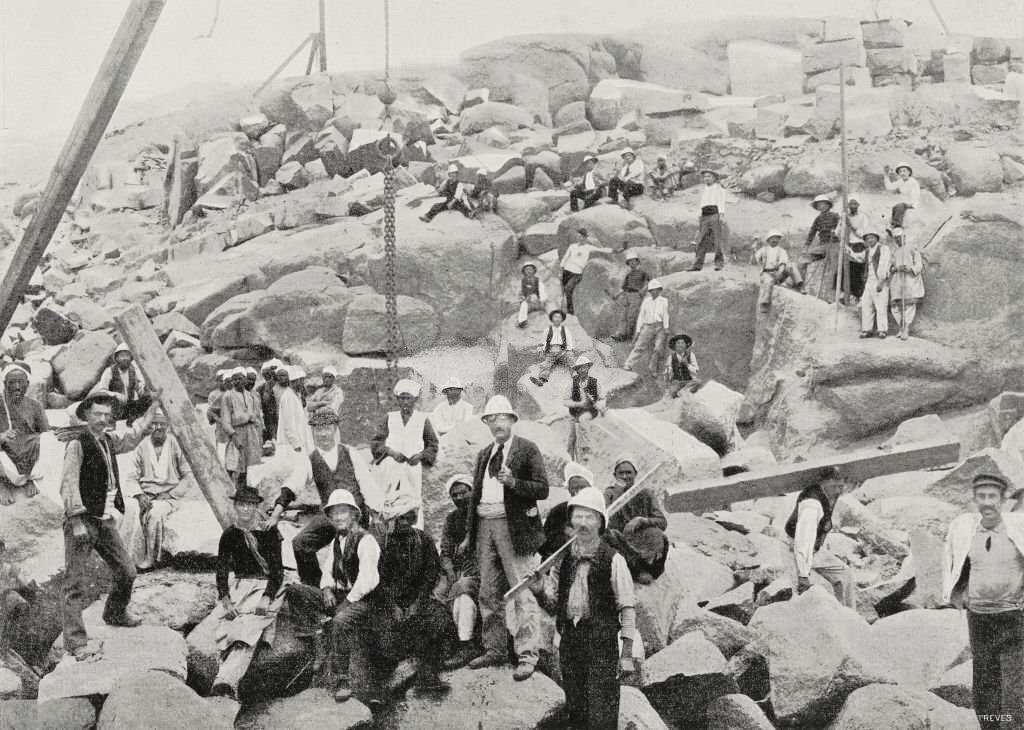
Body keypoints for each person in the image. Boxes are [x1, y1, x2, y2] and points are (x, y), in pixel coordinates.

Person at [59, 390, 162, 659]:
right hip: (82, 521)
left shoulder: (107, 440)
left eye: (107, 415)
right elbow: (68, 484)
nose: (102, 419)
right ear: (86, 416)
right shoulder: (77, 444)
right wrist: (76, 519)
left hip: (104, 519)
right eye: (97, 414)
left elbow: (132, 436)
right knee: (74, 583)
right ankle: (76, 641)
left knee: (127, 571)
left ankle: (115, 612)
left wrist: (153, 409)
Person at [531, 486, 638, 730]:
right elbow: (554, 606)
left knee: (602, 711)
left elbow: (628, 608)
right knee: (576, 709)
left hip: (601, 644)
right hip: (571, 642)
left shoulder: (614, 560)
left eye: (589, 517)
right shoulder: (564, 560)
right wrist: (538, 591)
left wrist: (627, 654)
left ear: (601, 522)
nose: (583, 523)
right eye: (578, 516)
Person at [465, 395, 549, 681]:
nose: (497, 423)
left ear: (512, 420)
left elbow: (542, 489)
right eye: (491, 419)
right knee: (488, 592)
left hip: (515, 529)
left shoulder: (527, 449)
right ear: (486, 423)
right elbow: (475, 496)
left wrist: (514, 483)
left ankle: (527, 654)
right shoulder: (484, 454)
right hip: (485, 525)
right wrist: (470, 533)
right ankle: (495, 648)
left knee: (522, 591)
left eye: (503, 418)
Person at [942, 474, 1024, 730]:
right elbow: (953, 563)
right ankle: (989, 726)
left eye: (993, 497)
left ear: (1002, 501)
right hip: (979, 618)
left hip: (1013, 616)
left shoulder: (1019, 529)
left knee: (1014, 686)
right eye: (982, 497)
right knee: (985, 681)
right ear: (975, 499)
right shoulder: (965, 530)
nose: (987, 503)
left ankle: (1012, 726)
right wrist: (958, 595)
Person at [284, 489, 381, 704]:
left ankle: (341, 680)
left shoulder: (366, 541)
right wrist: (327, 589)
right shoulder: (337, 540)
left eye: (343, 512)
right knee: (295, 591)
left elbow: (368, 581)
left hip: (364, 600)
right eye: (334, 514)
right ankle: (316, 637)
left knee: (339, 621)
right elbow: (327, 569)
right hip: (340, 594)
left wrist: (346, 603)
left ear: (354, 515)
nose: (338, 518)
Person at [277, 409, 375, 586]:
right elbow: (293, 484)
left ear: (335, 429)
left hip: (356, 514)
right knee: (300, 543)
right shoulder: (310, 459)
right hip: (330, 516)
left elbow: (367, 483)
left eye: (327, 428)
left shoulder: (349, 452)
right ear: (313, 431)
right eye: (318, 429)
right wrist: (278, 508)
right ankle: (314, 589)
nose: (323, 434)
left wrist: (376, 510)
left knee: (357, 548)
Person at [209, 486, 285, 699]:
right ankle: (226, 685)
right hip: (240, 587)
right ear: (235, 506)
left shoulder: (269, 532)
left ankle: (225, 682)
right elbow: (221, 570)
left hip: (265, 585)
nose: (245, 509)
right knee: (226, 628)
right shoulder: (229, 534)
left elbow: (277, 571)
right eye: (241, 504)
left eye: (250, 505)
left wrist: (267, 596)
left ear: (256, 507)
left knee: (248, 628)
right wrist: (226, 600)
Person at [373, 493, 451, 697]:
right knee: (384, 636)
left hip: (417, 598)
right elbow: (378, 580)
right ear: (392, 520)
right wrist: (393, 606)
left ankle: (428, 675)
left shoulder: (422, 539)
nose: (405, 523)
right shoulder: (381, 543)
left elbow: (431, 573)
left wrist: (418, 602)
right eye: (400, 519)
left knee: (436, 617)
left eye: (409, 518)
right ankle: (382, 688)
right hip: (389, 602)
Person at [122, 408, 194, 570]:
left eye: (162, 424)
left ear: (167, 426)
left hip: (168, 497)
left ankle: (150, 560)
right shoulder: (142, 446)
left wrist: (169, 493)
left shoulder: (176, 445)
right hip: (145, 494)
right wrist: (139, 495)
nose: (158, 428)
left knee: (155, 514)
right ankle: (129, 559)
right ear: (149, 427)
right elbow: (132, 475)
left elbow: (188, 476)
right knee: (129, 509)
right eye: (154, 424)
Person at [370, 379, 438, 528]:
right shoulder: (389, 418)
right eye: (402, 398)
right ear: (397, 400)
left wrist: (421, 455)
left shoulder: (422, 419)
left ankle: (415, 533)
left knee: (412, 501)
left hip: (412, 469)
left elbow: (432, 444)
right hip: (390, 467)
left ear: (415, 399)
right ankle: (386, 532)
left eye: (408, 398)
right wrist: (391, 452)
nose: (405, 402)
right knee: (388, 499)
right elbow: (376, 442)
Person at [785, 466, 856, 609]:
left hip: (813, 548)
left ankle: (848, 617)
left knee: (845, 574)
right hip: (796, 547)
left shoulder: (827, 494)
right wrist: (803, 574)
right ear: (823, 483)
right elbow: (804, 540)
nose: (838, 491)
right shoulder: (812, 504)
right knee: (799, 592)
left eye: (840, 486)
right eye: (834, 486)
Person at [434, 474, 480, 670]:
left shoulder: (483, 515)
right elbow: (445, 551)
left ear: (472, 491)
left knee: (462, 590)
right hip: (458, 570)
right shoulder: (452, 519)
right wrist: (450, 572)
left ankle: (466, 644)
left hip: (481, 572)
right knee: (437, 595)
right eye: (455, 494)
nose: (460, 497)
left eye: (464, 492)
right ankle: (445, 644)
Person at [0, 363, 48, 505]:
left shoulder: (35, 405)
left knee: (49, 442)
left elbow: (45, 433)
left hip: (28, 454)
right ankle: (2, 484)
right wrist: (2, 436)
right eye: (12, 382)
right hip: (4, 453)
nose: (16, 387)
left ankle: (29, 479)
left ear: (27, 384)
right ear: (4, 384)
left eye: (20, 382)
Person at [539, 462, 594, 560]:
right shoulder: (558, 511)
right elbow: (543, 544)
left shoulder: (597, 510)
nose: (578, 492)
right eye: (574, 488)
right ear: (568, 489)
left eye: (583, 488)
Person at [222, 368, 263, 489]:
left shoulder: (250, 396)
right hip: (237, 431)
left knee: (248, 462)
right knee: (234, 463)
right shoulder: (228, 396)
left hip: (250, 431)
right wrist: (233, 435)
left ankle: (243, 489)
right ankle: (228, 488)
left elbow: (255, 415)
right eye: (234, 379)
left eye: (240, 378)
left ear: (245, 379)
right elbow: (225, 420)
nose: (237, 381)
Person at [603, 456, 666, 535]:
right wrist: (618, 493)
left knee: (656, 534)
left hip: (640, 539)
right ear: (615, 475)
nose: (624, 477)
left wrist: (641, 520)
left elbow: (662, 522)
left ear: (635, 474)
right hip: (616, 539)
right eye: (621, 473)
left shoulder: (645, 494)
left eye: (628, 473)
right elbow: (604, 522)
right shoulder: (609, 493)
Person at [93, 344, 152, 425]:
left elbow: (139, 389)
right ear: (116, 358)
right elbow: (102, 391)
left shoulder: (133, 371)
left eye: (127, 355)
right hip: (114, 407)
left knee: (148, 399)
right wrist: (116, 395)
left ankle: (134, 423)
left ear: (131, 358)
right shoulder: (109, 371)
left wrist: (144, 390)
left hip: (128, 405)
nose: (125, 358)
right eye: (122, 356)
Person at [559, 228, 613, 315]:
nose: (580, 238)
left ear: (585, 238)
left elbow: (602, 250)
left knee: (568, 289)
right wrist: (561, 270)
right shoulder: (572, 246)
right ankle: (562, 310)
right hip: (567, 270)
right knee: (563, 291)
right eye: (578, 236)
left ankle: (570, 310)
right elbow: (565, 258)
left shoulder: (588, 247)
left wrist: (615, 250)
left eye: (582, 236)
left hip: (577, 273)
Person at [623, 279, 668, 374]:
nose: (654, 292)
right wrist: (639, 329)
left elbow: (665, 314)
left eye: (656, 289)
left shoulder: (664, 301)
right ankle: (628, 364)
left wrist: (666, 327)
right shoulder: (646, 301)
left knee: (657, 348)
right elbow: (641, 316)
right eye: (652, 290)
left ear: (660, 290)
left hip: (660, 326)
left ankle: (653, 368)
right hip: (647, 326)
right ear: (650, 291)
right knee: (639, 346)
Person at [754, 230, 804, 312]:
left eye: (777, 238)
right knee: (768, 281)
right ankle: (765, 303)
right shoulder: (763, 250)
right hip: (767, 273)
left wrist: (779, 273)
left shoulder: (782, 251)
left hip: (779, 273)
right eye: (773, 238)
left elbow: (783, 264)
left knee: (791, 265)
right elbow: (755, 260)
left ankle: (799, 284)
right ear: (768, 239)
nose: (775, 240)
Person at [0, 539, 35, 653]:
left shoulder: (8, 568)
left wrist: (19, 578)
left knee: (22, 605)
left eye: (1, 551)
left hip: (7, 597)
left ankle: (21, 641)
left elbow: (23, 584)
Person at [688, 169, 728, 272]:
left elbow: (721, 201)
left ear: (714, 178)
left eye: (709, 176)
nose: (706, 178)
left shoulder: (719, 188)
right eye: (705, 177)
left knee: (717, 239)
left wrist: (721, 214)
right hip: (704, 215)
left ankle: (719, 263)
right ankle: (697, 264)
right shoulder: (703, 189)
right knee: (701, 240)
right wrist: (699, 215)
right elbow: (702, 202)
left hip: (715, 213)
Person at [889, 229, 925, 340]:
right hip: (897, 280)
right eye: (896, 239)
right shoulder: (895, 252)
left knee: (909, 305)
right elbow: (890, 267)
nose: (898, 240)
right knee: (895, 305)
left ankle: (906, 329)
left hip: (910, 279)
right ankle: (900, 327)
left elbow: (919, 264)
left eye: (900, 238)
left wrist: (910, 269)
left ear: (904, 237)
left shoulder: (912, 248)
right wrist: (896, 268)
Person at [859, 229, 892, 339]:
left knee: (881, 305)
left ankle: (882, 330)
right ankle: (867, 329)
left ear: (876, 238)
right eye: (867, 238)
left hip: (879, 280)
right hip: (869, 281)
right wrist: (846, 250)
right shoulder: (868, 251)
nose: (870, 240)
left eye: (872, 237)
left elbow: (885, 264)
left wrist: (881, 281)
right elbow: (858, 258)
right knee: (866, 304)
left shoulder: (883, 249)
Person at [529, 309, 575, 387]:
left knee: (571, 358)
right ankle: (541, 380)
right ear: (552, 318)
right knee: (546, 364)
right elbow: (543, 340)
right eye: (555, 317)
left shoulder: (565, 329)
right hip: (551, 352)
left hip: (562, 351)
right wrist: (541, 349)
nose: (557, 318)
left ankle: (575, 375)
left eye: (559, 317)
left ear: (562, 319)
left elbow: (569, 339)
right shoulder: (548, 329)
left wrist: (569, 348)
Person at [611, 252, 650, 342]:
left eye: (633, 261)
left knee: (632, 316)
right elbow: (623, 288)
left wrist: (642, 291)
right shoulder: (629, 274)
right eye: (629, 262)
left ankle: (629, 335)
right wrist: (617, 295)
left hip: (636, 295)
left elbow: (650, 282)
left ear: (637, 262)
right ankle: (621, 334)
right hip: (626, 295)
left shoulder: (643, 273)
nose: (631, 263)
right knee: (623, 315)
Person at [275, 365, 312, 454]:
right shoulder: (288, 397)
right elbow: (288, 423)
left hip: (298, 443)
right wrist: (296, 444)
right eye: (302, 381)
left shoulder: (296, 395)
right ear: (296, 381)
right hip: (291, 445)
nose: (303, 384)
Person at [839, 195, 870, 301]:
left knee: (857, 272)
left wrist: (851, 225)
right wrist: (843, 224)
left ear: (858, 205)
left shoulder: (863, 217)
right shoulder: (844, 217)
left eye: (855, 204)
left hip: (859, 246)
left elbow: (865, 234)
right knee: (845, 270)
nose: (852, 206)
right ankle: (846, 294)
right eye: (850, 204)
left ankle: (858, 296)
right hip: (848, 245)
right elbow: (839, 233)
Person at [883, 161, 920, 234]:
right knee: (893, 207)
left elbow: (915, 194)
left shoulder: (913, 182)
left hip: (911, 203)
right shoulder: (901, 181)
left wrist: (913, 204)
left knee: (900, 206)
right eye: (900, 171)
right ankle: (891, 227)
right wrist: (886, 176)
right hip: (903, 202)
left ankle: (897, 226)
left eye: (904, 171)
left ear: (909, 172)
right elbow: (889, 187)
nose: (902, 173)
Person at [566, 356, 605, 422]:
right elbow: (565, 401)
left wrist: (599, 405)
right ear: (577, 370)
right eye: (580, 368)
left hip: (590, 412)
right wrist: (578, 404)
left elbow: (602, 399)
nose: (582, 370)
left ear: (588, 368)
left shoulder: (595, 383)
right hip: (575, 412)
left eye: (584, 367)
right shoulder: (572, 383)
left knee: (583, 419)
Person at [664, 334, 701, 399]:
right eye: (678, 343)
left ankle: (683, 392)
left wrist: (687, 364)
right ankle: (678, 394)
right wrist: (669, 374)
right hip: (676, 382)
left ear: (685, 345)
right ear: (675, 345)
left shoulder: (691, 355)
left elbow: (696, 371)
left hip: (688, 382)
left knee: (698, 382)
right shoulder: (671, 357)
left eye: (682, 343)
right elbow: (667, 372)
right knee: (672, 393)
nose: (680, 345)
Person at [208, 370, 232, 465]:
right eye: (220, 380)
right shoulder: (213, 395)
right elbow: (211, 412)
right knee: (221, 451)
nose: (222, 383)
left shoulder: (231, 392)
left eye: (224, 380)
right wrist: (220, 420)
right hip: (221, 427)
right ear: (217, 381)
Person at [257, 360, 282, 445]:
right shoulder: (261, 388)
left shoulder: (285, 386)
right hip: (268, 420)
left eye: (269, 373)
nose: (267, 376)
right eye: (265, 374)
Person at [517, 261, 547, 328]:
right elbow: (521, 292)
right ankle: (522, 321)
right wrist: (521, 297)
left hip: (536, 302)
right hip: (527, 303)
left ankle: (522, 319)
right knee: (524, 303)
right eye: (527, 269)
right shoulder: (523, 281)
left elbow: (542, 293)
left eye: (530, 269)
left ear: (534, 271)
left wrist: (542, 303)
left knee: (532, 297)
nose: (528, 271)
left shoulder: (537, 281)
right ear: (524, 271)